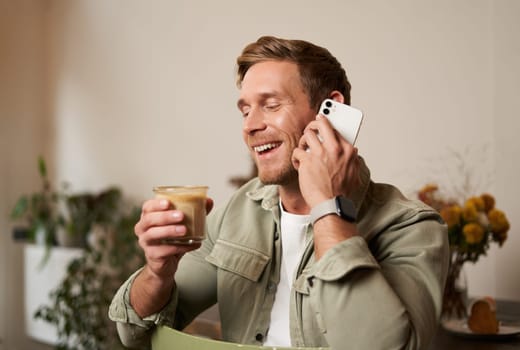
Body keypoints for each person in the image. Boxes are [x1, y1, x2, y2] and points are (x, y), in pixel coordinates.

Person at [109, 36, 449, 350]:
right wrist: (157, 271)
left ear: (330, 112)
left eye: (270, 105)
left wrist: (329, 207)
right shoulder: (240, 210)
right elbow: (133, 330)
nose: (249, 126)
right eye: (245, 110)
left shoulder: (411, 228)